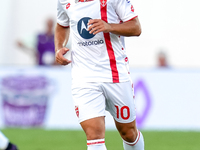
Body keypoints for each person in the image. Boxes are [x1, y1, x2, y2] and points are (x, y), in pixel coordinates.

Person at [55, 0, 144, 150]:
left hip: (115, 74)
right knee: (94, 135)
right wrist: (59, 47)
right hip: (83, 78)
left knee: (128, 133)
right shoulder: (64, 1)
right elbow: (62, 25)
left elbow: (136, 27)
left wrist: (109, 26)